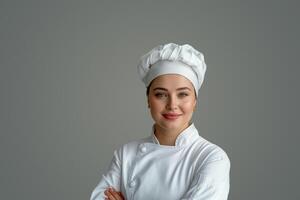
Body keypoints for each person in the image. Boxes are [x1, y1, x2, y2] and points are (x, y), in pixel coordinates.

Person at [90, 43, 231, 200]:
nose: (172, 105)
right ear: (148, 100)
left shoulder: (211, 157)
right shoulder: (126, 155)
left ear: (195, 101)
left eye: (183, 94)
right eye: (161, 94)